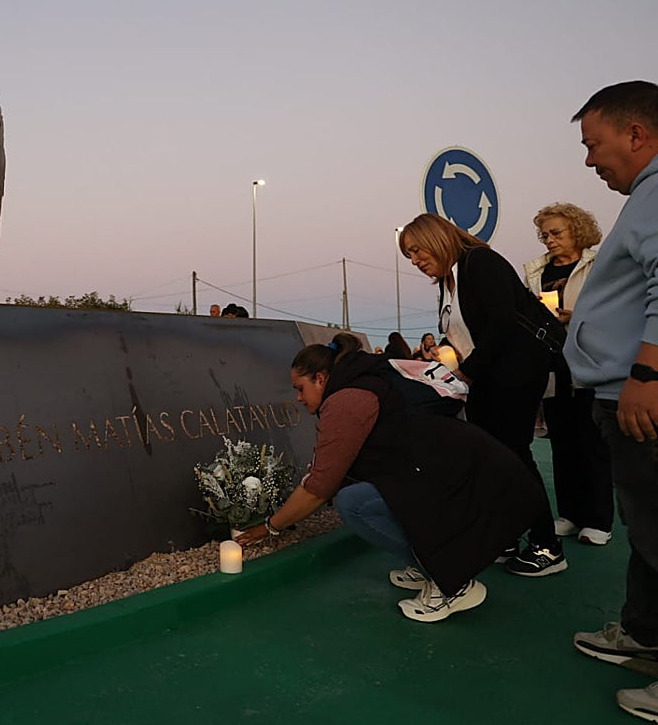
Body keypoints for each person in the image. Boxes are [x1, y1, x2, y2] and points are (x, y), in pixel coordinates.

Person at [235, 333, 546, 623]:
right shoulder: (361, 381)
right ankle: (430, 564)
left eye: (300, 388)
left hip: (457, 475)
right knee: (361, 494)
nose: (299, 399)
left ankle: (452, 582)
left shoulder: (346, 401)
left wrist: (269, 527)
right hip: (450, 469)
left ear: (320, 378)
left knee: (353, 504)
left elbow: (320, 487)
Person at [560, 81, 658, 722]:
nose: (591, 160)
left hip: (639, 393)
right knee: (647, 530)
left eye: (595, 144)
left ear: (636, 134)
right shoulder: (644, 196)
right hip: (622, 388)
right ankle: (646, 632)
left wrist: (646, 375)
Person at [398, 212, 568, 576]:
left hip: (514, 376)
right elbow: (460, 334)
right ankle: (506, 535)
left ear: (437, 238)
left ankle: (547, 545)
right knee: (490, 459)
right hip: (486, 380)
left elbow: (502, 324)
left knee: (513, 457)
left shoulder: (480, 263)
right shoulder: (448, 281)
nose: (414, 260)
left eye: (416, 250)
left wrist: (466, 371)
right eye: (408, 255)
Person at [523, 202, 613, 546]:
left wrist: (575, 316)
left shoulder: (596, 265)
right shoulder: (535, 272)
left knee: (591, 443)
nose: (549, 240)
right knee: (562, 444)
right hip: (551, 367)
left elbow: (611, 310)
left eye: (556, 232)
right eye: (545, 234)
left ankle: (599, 520)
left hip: (589, 363)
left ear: (577, 230)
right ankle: (572, 514)